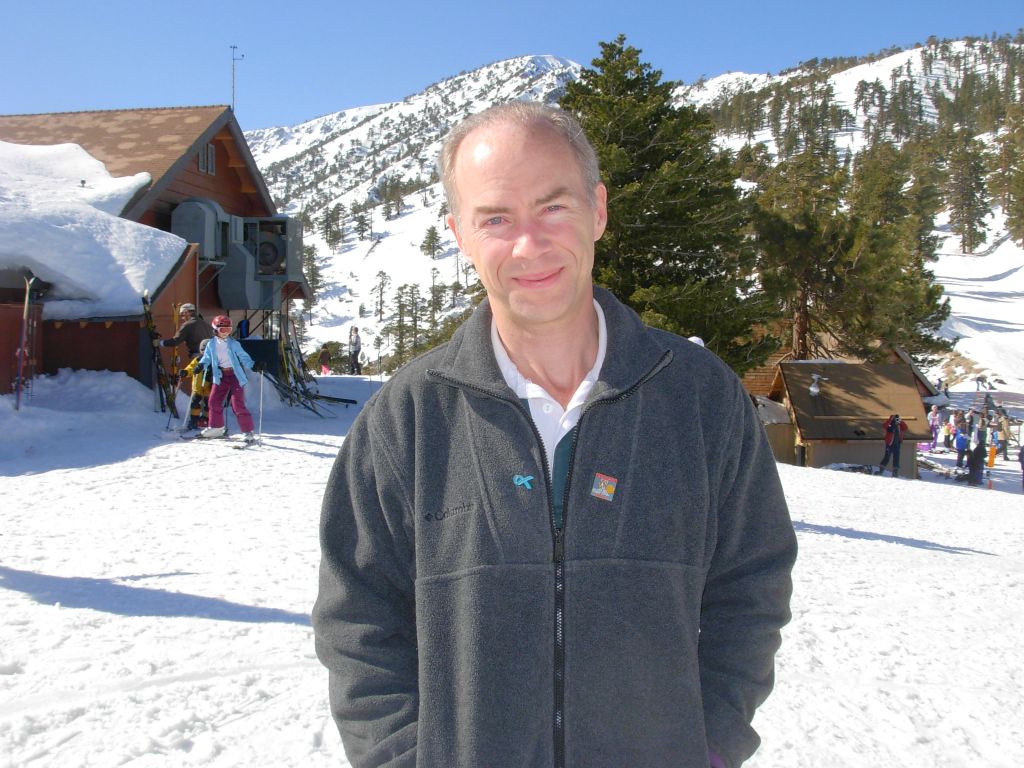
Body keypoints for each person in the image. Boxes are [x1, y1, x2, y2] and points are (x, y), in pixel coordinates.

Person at [312, 103, 797, 768]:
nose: (529, 244)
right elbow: (358, 624)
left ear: (597, 210)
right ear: (459, 233)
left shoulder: (699, 398)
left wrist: (709, 743)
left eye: (553, 206)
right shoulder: (408, 418)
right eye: (496, 218)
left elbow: (752, 584)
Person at [194, 315, 256, 442]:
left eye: (229, 329)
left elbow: (244, 357)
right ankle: (217, 427)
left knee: (237, 404)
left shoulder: (234, 344)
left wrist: (253, 365)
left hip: (235, 376)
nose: (226, 333)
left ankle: (247, 431)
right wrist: (200, 365)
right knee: (213, 402)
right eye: (223, 330)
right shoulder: (211, 344)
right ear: (216, 330)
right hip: (220, 376)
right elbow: (206, 358)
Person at [879, 413, 909, 477]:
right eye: (895, 419)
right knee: (887, 457)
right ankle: (881, 470)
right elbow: (885, 426)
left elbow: (905, 427)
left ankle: (895, 473)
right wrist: (890, 419)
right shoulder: (889, 425)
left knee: (896, 458)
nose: (896, 420)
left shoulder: (899, 425)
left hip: (897, 444)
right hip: (890, 444)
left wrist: (900, 420)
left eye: (897, 419)